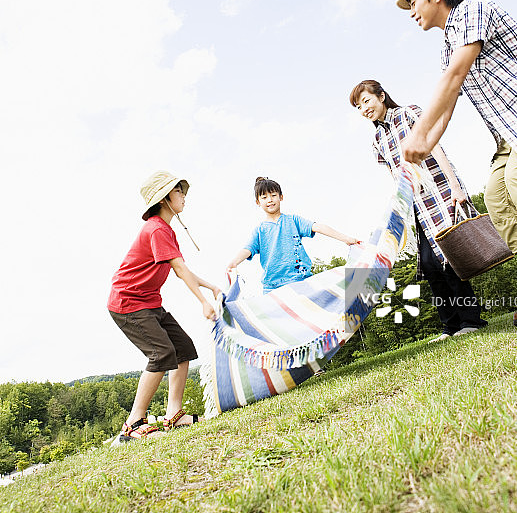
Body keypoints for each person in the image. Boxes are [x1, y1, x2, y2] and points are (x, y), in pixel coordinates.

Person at [395, 0, 517, 323]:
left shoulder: (474, 11)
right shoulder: (447, 47)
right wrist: (423, 147)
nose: (411, 12)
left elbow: (455, 75)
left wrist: (418, 131)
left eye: (413, 2)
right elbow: (448, 105)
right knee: (497, 197)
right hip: (512, 134)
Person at [350, 79, 487, 340]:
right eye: (359, 107)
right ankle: (450, 326)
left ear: (381, 96)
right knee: (428, 263)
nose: (364, 109)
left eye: (366, 101)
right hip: (416, 203)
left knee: (449, 256)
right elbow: (395, 175)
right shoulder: (377, 139)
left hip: (440, 190)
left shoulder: (408, 113)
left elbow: (436, 147)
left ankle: (471, 320)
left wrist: (455, 186)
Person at [108, 170, 221, 442]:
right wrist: (204, 302)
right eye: (178, 191)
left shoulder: (165, 230)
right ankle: (132, 425)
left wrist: (210, 287)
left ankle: (174, 415)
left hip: (149, 303)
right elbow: (180, 269)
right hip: (128, 302)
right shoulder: (156, 229)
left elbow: (181, 269)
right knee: (161, 354)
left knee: (182, 348)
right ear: (163, 199)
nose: (183, 196)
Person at [226, 176, 359, 292]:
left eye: (273, 195)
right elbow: (247, 249)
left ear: (281, 197)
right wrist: (234, 263)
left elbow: (318, 227)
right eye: (264, 197)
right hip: (273, 288)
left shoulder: (293, 220)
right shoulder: (260, 230)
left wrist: (346, 238)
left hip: (300, 281)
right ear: (258, 202)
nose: (270, 200)